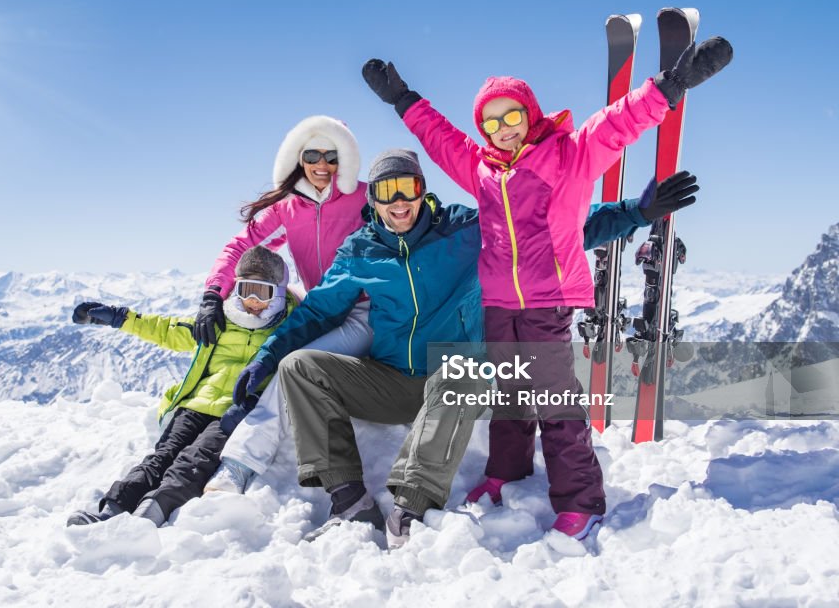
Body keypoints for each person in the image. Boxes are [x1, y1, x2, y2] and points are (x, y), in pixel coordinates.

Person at [361, 36, 730, 539]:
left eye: (510, 116)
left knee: (556, 403)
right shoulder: (482, 169)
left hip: (548, 300)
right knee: (510, 394)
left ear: (529, 113)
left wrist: (670, 85)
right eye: (490, 121)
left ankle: (581, 497)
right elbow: (439, 138)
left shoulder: (569, 154)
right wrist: (404, 99)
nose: (502, 129)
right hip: (498, 301)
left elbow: (619, 122)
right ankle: (507, 471)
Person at [230, 149, 687, 549]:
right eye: (386, 192)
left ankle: (410, 506)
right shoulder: (360, 252)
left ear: (421, 189)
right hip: (391, 379)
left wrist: (636, 212)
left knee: (461, 370)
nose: (398, 202)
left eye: (406, 187)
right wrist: (267, 356)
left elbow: (549, 234)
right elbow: (314, 314)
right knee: (299, 367)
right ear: (373, 200)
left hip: (452, 379)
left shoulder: (464, 229)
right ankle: (349, 499)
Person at [197, 116, 375, 495]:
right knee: (269, 337)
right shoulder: (288, 208)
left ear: (346, 158)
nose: (322, 165)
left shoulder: (365, 199)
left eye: (332, 155)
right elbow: (241, 246)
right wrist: (214, 292)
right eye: (313, 154)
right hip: (319, 309)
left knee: (293, 367)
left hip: (363, 311)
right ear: (299, 157)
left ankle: (239, 464)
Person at [65, 246, 294, 528]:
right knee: (161, 457)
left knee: (193, 461)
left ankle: (150, 515)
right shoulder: (220, 320)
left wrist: (255, 399)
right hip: (195, 405)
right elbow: (167, 330)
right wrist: (119, 317)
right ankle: (112, 510)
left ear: (279, 293)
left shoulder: (288, 329)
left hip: (233, 412)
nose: (252, 301)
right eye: (246, 289)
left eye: (262, 292)